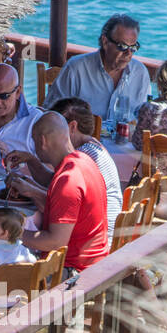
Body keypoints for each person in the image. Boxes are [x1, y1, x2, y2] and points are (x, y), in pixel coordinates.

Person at [5, 97, 123, 241]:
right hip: (102, 238)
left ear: (71, 128)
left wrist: (10, 233)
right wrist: (31, 160)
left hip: (102, 239)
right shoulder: (87, 152)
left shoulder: (80, 162)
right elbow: (55, 185)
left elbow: (57, 233)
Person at [18, 111, 108, 275]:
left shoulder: (68, 181)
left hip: (73, 273)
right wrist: (31, 162)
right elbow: (57, 190)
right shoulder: (83, 160)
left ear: (42, 141)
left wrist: (12, 233)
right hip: (94, 265)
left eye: (34, 141)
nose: (34, 146)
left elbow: (55, 242)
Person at [42, 14, 150, 123]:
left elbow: (143, 119)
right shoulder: (76, 68)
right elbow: (51, 115)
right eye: (122, 46)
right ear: (105, 41)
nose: (128, 53)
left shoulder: (140, 73)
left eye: (133, 47)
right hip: (82, 138)